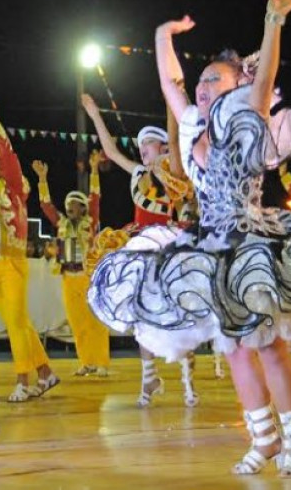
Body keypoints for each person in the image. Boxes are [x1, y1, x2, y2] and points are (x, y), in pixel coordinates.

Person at [89, 0, 291, 477]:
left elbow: (264, 77)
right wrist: (162, 35)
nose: (201, 86)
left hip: (250, 243)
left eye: (213, 79)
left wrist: (273, 22)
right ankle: (263, 439)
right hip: (211, 247)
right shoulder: (192, 125)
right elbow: (170, 82)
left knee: (268, 346)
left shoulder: (246, 115)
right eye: (200, 80)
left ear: (237, 83)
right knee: (235, 349)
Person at [83, 93, 199, 408]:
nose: (142, 147)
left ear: (162, 147)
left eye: (148, 143)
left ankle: (188, 381)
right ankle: (149, 377)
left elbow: (175, 140)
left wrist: (171, 102)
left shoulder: (174, 170)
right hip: (140, 247)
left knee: (179, 311)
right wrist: (94, 114)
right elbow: (110, 151)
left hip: (169, 246)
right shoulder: (137, 173)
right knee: (140, 313)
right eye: (141, 144)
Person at [0, 103, 59, 402]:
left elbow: (9, 156)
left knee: (16, 325)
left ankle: (23, 380)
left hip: (10, 262)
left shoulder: (11, 186)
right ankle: (45, 373)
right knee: (18, 322)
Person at [33, 151, 110, 377]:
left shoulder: (91, 221)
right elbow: (46, 205)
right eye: (67, 204)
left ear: (83, 208)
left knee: (94, 321)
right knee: (77, 323)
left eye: (74, 204)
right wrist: (42, 179)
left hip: (88, 278)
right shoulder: (62, 224)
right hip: (68, 277)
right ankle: (86, 362)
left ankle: (101, 362)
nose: (69, 207)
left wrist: (94, 169)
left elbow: (95, 196)